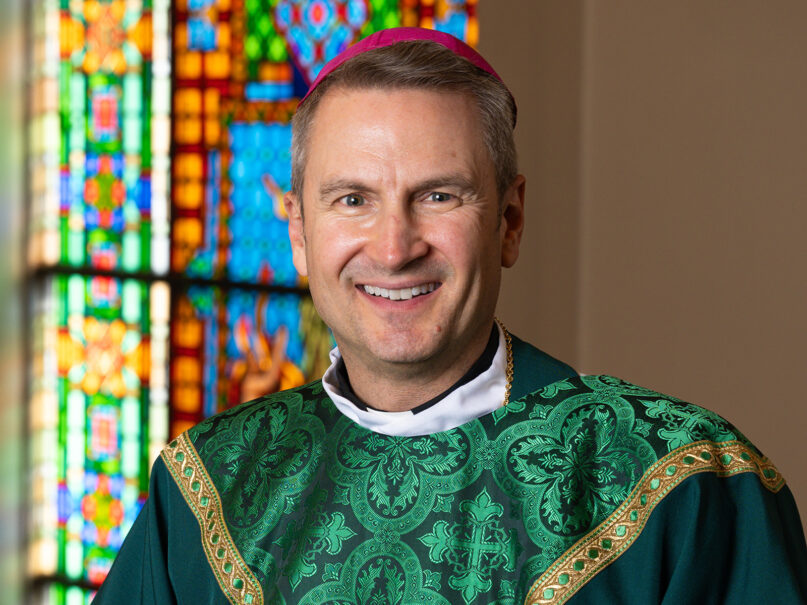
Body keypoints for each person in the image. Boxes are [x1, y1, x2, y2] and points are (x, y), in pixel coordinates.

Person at [94, 28, 807, 604]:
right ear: (299, 234)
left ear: (509, 220)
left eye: (438, 196)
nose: (393, 248)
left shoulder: (684, 486)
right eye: (352, 199)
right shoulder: (209, 488)